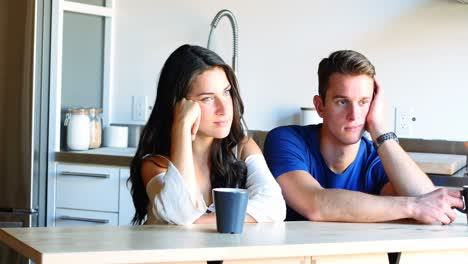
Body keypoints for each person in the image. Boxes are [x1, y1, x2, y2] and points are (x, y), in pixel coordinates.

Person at [263, 50, 463, 224]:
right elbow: (315, 203)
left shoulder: (376, 158)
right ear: (320, 106)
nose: (354, 115)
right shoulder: (287, 140)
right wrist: (412, 207)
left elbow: (426, 201)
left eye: (363, 102)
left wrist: (378, 128)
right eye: (342, 102)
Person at [128, 44, 286, 225]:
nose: (224, 108)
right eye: (207, 98)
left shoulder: (242, 147)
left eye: (226, 92)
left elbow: (275, 207)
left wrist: (199, 221)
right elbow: (181, 216)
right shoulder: (155, 164)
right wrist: (181, 127)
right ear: (180, 105)